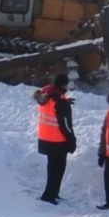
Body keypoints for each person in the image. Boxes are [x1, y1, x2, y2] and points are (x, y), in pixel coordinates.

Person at [33, 74, 76, 204]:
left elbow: (53, 106)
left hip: (46, 138)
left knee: (52, 168)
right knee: (57, 169)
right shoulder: (60, 101)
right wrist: (71, 140)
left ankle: (52, 193)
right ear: (64, 85)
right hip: (58, 140)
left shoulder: (46, 96)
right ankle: (49, 195)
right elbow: (65, 125)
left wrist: (65, 101)